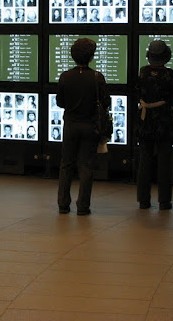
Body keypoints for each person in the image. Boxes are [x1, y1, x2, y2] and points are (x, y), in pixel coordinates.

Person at [57, 38, 110, 216]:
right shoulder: (97, 77)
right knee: (86, 165)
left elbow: (60, 102)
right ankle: (83, 206)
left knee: (66, 164)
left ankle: (63, 204)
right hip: (90, 126)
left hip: (71, 124)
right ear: (91, 56)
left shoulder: (65, 76)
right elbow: (105, 102)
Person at [136, 40, 173, 210]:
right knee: (164, 161)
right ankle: (164, 201)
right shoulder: (171, 74)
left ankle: (143, 200)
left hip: (145, 120)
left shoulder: (143, 72)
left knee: (144, 160)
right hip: (164, 121)